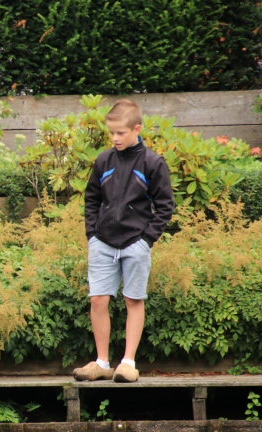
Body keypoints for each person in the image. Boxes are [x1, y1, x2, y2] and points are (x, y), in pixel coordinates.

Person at [73, 99, 175, 383]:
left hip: (135, 243)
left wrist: (146, 240)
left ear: (136, 129)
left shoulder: (153, 162)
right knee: (97, 300)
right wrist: (92, 235)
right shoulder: (104, 160)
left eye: (120, 132)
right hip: (103, 243)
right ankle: (102, 362)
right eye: (112, 133)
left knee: (133, 300)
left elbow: (165, 206)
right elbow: (92, 198)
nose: (115, 138)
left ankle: (128, 363)